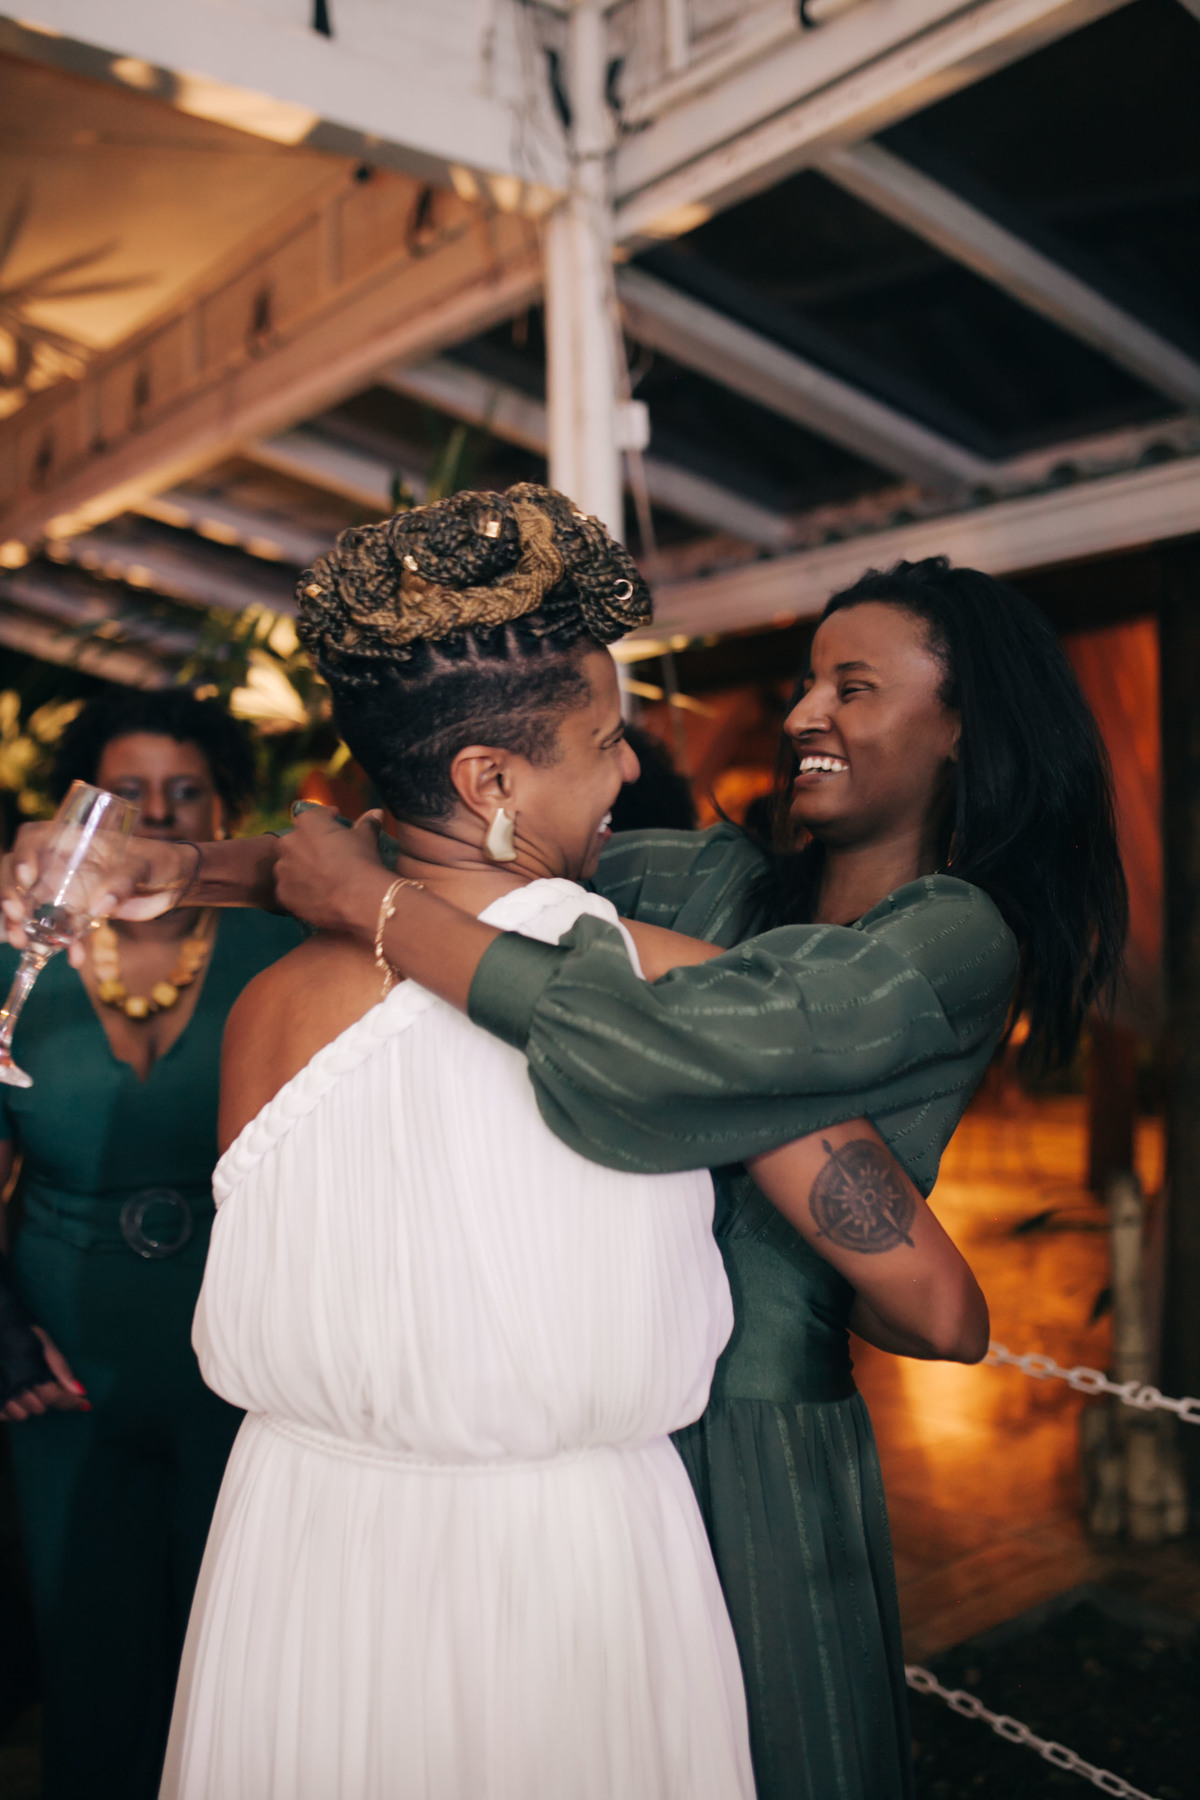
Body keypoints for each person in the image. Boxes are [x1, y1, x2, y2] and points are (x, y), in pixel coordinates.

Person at [1, 536, 1125, 1800]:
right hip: (588, 1434)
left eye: (851, 687)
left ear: (967, 726)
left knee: (793, 1745)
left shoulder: (951, 935)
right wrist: (169, 868)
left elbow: (638, 1014)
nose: (802, 711)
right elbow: (427, 851)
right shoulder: (705, 887)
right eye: (809, 679)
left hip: (743, 1420)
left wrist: (371, 910)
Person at [0, 690, 301, 1800]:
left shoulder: (280, 947)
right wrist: (1, 1331)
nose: (160, 815)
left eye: (187, 792)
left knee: (236, 1647)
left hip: (242, 1356)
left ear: (224, 809)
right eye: (128, 795)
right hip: (61, 1362)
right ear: (76, 814)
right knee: (87, 1644)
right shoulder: (14, 954)